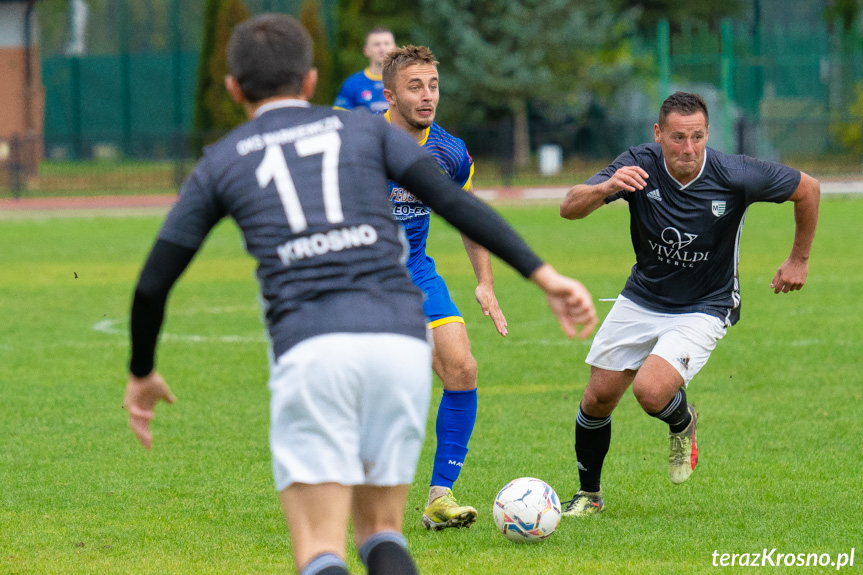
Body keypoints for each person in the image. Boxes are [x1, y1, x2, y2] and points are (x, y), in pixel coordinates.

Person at [123, 14, 597, 575]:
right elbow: (460, 206)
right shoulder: (365, 132)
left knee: (323, 546)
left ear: (231, 89)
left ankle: (403, 513)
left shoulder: (224, 159)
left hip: (312, 345)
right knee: (380, 535)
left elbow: (153, 282)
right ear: (310, 80)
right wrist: (544, 275)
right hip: (394, 340)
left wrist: (143, 368)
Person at [558, 91, 820, 517]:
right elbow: (569, 208)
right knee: (598, 398)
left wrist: (799, 259)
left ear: (708, 133)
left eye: (697, 137)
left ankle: (683, 421)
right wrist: (606, 187)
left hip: (706, 303)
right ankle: (589, 496)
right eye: (678, 138)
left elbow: (808, 189)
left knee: (650, 390)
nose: (688, 148)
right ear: (658, 134)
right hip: (643, 296)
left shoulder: (734, 173)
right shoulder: (638, 164)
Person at [381, 45, 506, 531]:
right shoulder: (359, 143)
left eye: (433, 85)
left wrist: (485, 283)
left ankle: (439, 496)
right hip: (362, 278)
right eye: (415, 86)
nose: (427, 95)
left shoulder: (449, 151)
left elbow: (468, 217)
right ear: (390, 94)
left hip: (415, 271)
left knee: (462, 367)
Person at [333, 27, 395, 112]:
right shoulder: (352, 83)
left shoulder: (405, 81)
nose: (382, 49)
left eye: (386, 44)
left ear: (395, 48)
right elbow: (340, 116)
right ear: (366, 50)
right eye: (376, 44)